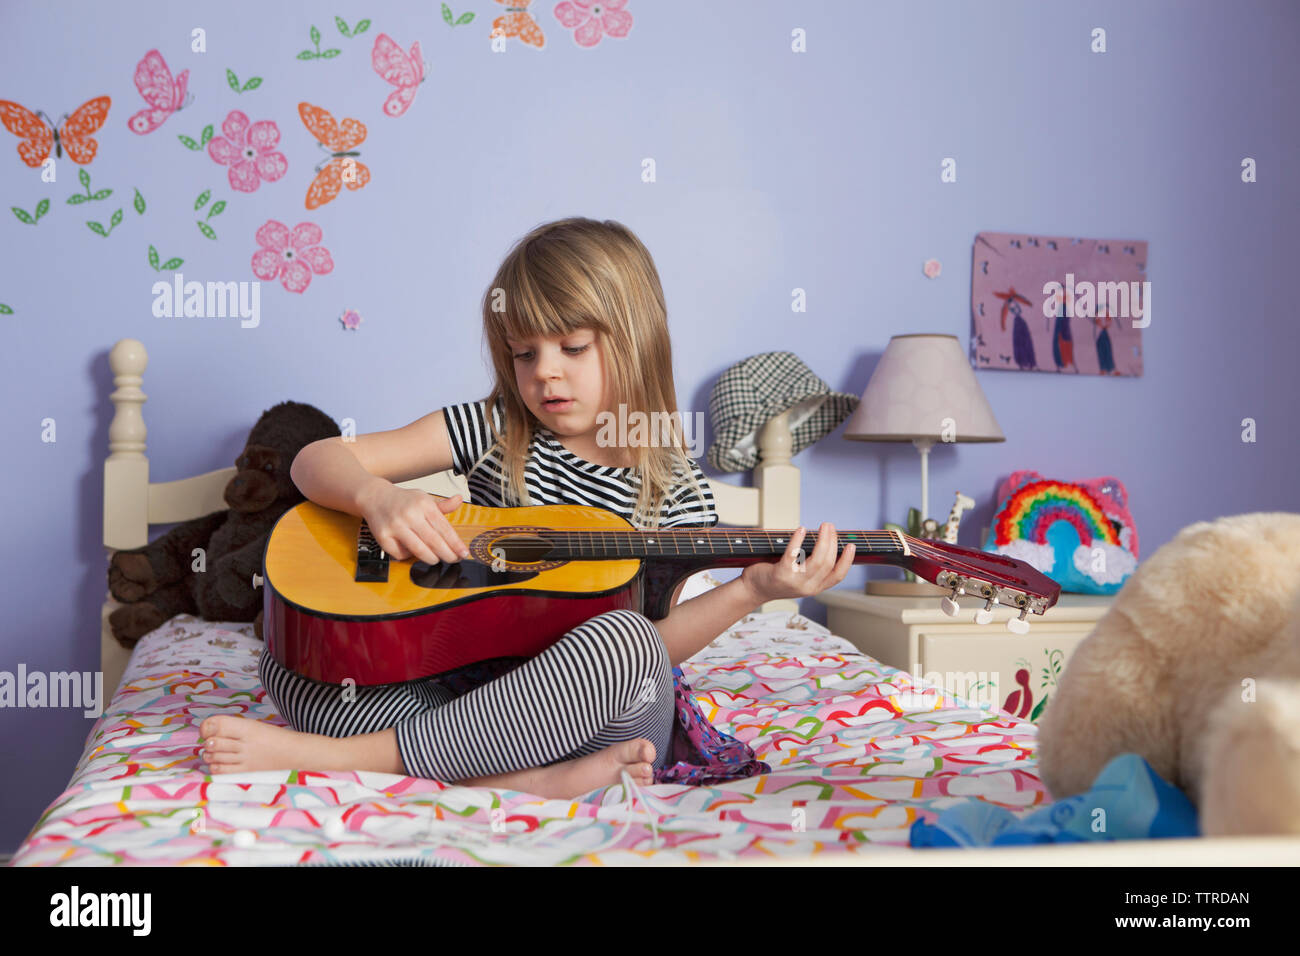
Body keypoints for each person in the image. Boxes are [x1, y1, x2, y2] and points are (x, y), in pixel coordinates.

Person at [199, 217, 854, 799]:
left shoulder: (669, 485)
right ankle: (518, 779)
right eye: (523, 353)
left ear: (635, 341)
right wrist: (378, 498)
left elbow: (658, 647)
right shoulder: (493, 427)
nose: (545, 372)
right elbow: (313, 459)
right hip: (461, 685)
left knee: (627, 647)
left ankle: (351, 759)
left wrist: (753, 590)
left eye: (572, 347)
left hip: (585, 714)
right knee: (297, 664)